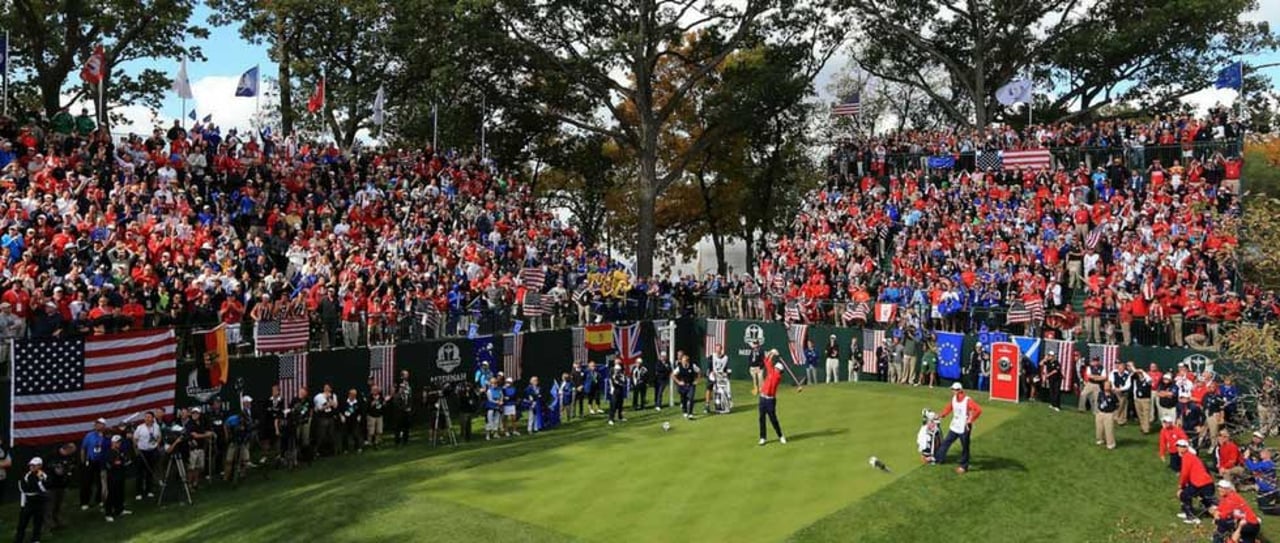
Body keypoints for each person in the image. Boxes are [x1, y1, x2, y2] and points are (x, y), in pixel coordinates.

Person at [935, 382, 983, 474]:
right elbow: (949, 408)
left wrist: (970, 420)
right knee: (946, 442)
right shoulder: (954, 398)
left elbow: (978, 410)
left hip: (964, 427)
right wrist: (941, 415)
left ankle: (964, 466)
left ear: (960, 390)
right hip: (955, 425)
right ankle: (938, 459)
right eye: (952, 389)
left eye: (955, 390)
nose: (953, 391)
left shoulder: (967, 400)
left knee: (965, 447)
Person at [1176, 439, 1217, 525]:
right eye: (1178, 446)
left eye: (1181, 446)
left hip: (1200, 483)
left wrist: (1181, 485)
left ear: (1186, 448)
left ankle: (1191, 517)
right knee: (1189, 494)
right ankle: (1187, 511)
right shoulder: (1190, 456)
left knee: (1184, 495)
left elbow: (1185, 473)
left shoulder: (1187, 457)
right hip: (1202, 482)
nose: (1179, 448)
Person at [757, 350, 788, 446]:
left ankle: (780, 436)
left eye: (778, 369)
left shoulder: (777, 376)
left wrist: (772, 353)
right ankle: (762, 438)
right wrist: (772, 352)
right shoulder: (771, 371)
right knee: (761, 418)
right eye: (776, 368)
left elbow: (768, 362)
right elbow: (766, 360)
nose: (777, 370)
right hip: (762, 398)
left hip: (770, 400)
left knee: (773, 419)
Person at [44, 443, 76, 531]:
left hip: (62, 484)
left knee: (59, 504)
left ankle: (57, 520)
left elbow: (71, 467)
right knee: (50, 505)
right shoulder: (52, 456)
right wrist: (54, 469)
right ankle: (48, 524)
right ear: (67, 449)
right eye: (71, 451)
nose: (72, 453)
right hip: (51, 484)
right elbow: (44, 467)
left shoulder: (70, 457)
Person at [15, 457, 48, 543]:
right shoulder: (26, 475)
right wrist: (36, 488)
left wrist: (39, 482)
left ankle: (36, 539)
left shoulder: (43, 475)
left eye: (34, 465)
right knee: (22, 522)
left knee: (38, 521)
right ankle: (19, 539)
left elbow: (44, 488)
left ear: (40, 466)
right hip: (27, 502)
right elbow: (23, 488)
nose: (32, 467)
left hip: (39, 501)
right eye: (31, 465)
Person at [78, 418, 108, 511]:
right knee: (87, 482)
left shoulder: (106, 436)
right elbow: (83, 448)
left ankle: (99, 499)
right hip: (90, 461)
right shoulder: (89, 435)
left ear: (104, 426)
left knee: (100, 482)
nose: (98, 426)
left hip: (101, 461)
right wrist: (83, 461)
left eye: (100, 424)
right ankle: (84, 502)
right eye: (97, 424)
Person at [132, 411, 162, 501]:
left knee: (150, 471)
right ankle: (139, 492)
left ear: (153, 418)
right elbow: (135, 439)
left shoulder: (156, 427)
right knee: (140, 473)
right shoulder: (140, 427)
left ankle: (149, 490)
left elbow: (159, 436)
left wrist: (157, 444)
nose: (147, 419)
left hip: (152, 451)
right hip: (142, 452)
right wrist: (136, 451)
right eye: (146, 417)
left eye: (149, 417)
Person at [103, 435, 129, 522]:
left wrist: (121, 463)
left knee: (120, 492)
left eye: (120, 442)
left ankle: (120, 510)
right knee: (112, 494)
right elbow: (111, 464)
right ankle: (108, 513)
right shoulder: (109, 452)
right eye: (117, 442)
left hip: (120, 475)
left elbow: (123, 461)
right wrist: (118, 463)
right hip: (112, 476)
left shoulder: (120, 451)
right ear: (113, 443)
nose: (119, 444)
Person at [675, 353, 700, 420]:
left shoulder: (693, 366)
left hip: (691, 385)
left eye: (685, 361)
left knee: (691, 398)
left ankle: (690, 413)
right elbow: (673, 375)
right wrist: (678, 382)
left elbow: (699, 372)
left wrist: (697, 380)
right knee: (684, 399)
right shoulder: (679, 367)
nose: (684, 362)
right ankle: (685, 411)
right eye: (683, 361)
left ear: (688, 361)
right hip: (683, 386)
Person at [1096, 381, 1119, 449]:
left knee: (1109, 429)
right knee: (1099, 428)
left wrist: (1114, 412)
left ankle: (1111, 443)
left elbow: (1117, 404)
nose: (1106, 387)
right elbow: (1098, 401)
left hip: (1109, 414)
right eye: (1105, 385)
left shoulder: (1113, 395)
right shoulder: (1100, 393)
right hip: (1100, 413)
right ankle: (1100, 439)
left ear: (1110, 387)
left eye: (1108, 385)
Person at [339, 389, 363, 454]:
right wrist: (341, 416)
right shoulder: (344, 402)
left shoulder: (357, 402)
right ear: (349, 394)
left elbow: (361, 411)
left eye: (355, 395)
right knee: (345, 435)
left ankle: (358, 447)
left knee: (356, 434)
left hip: (354, 421)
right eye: (352, 395)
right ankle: (345, 449)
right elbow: (340, 410)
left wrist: (359, 416)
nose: (353, 396)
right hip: (346, 421)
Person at [1132, 365, 1154, 434]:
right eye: (1139, 374)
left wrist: (1143, 372)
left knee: (1146, 414)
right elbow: (1132, 375)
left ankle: (1146, 429)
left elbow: (1149, 379)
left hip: (1145, 399)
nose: (1140, 375)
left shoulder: (1147, 380)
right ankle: (1142, 427)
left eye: (1140, 374)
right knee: (1140, 414)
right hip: (1138, 399)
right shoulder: (1136, 380)